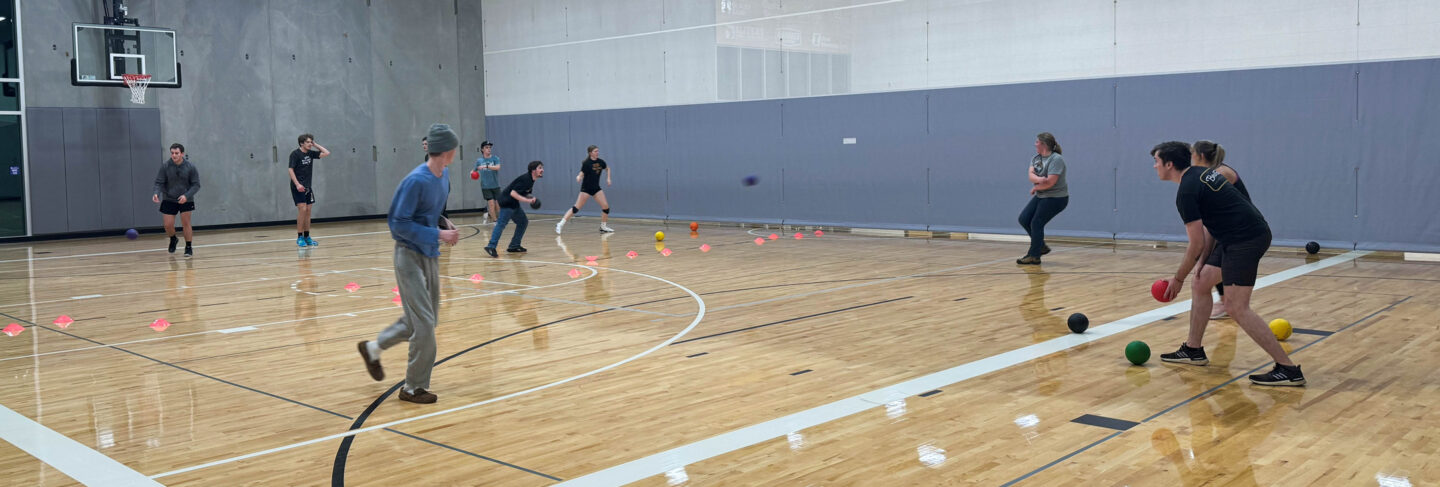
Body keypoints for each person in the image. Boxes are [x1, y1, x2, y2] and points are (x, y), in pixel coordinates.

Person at [1150, 141, 1304, 386]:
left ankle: (1287, 369)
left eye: (1156, 161)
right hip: (1238, 235)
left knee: (1236, 307)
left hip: (1245, 240)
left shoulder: (1187, 191)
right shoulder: (1202, 175)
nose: (1155, 166)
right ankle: (1193, 350)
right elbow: (1213, 224)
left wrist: (1178, 278)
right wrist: (1201, 264)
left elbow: (1196, 242)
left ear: (1169, 164)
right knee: (1201, 282)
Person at [356, 123, 462, 404]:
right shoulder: (416, 180)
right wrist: (439, 233)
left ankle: (373, 348)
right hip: (408, 256)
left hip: (430, 254)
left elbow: (429, 211)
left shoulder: (443, 174)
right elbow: (398, 223)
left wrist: (442, 222)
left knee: (425, 321)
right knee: (424, 325)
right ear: (448, 150)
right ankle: (413, 387)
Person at [1188, 140, 1252, 320]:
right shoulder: (1211, 174)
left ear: (1200, 156)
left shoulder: (1220, 174)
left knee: (1207, 270)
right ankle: (1225, 302)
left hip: (1241, 233)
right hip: (1227, 231)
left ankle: (1228, 304)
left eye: (1192, 154)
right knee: (1208, 268)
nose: (1190, 158)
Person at [1017, 132, 1068, 265]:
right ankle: (1041, 246)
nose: (1035, 144)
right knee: (1024, 219)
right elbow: (1031, 175)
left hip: (1056, 198)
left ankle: (1034, 255)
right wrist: (1040, 181)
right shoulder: (1036, 158)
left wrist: (1036, 187)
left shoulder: (1056, 160)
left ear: (1044, 144)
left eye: (1037, 142)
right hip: (1042, 195)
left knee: (1036, 223)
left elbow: (1051, 182)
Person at [151, 143, 201, 258]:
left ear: (182, 154)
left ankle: (188, 247)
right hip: (169, 198)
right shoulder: (165, 166)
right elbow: (159, 182)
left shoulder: (190, 167)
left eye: (176, 153)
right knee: (168, 225)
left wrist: (186, 196)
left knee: (186, 223)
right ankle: (173, 239)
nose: (174, 155)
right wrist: (156, 193)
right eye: (172, 153)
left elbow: (196, 185)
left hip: (186, 199)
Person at [487, 161, 544, 257]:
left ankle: (514, 245)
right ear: (533, 170)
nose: (542, 170)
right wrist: (527, 200)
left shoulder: (531, 180)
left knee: (523, 222)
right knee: (501, 224)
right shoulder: (526, 179)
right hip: (507, 202)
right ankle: (491, 246)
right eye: (540, 168)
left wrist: (530, 197)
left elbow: (524, 192)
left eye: (542, 168)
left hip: (513, 204)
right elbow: (513, 193)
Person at [555, 145, 613, 234]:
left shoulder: (601, 162)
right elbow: (582, 172)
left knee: (606, 207)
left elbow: (608, 168)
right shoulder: (586, 163)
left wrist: (608, 178)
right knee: (576, 208)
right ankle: (560, 224)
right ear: (590, 153)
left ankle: (603, 227)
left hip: (596, 189)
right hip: (586, 189)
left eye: (598, 151)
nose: (597, 152)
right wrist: (579, 177)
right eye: (595, 151)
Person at [288, 134, 331, 247]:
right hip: (298, 186)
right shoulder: (295, 154)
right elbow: (290, 170)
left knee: (308, 211)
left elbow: (327, 153)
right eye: (308, 142)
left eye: (311, 142)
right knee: (302, 209)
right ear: (301, 143)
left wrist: (315, 144)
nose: (310, 144)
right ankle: (299, 237)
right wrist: (297, 184)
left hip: (308, 187)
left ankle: (307, 236)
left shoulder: (311, 153)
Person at [476, 141, 502, 225]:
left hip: (495, 185)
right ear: (482, 149)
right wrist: (472, 173)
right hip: (485, 186)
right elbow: (475, 170)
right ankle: (495, 221)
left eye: (490, 147)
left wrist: (486, 166)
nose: (489, 149)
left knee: (498, 205)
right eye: (486, 147)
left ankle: (494, 216)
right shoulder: (479, 160)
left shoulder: (495, 158)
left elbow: (498, 167)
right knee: (491, 204)